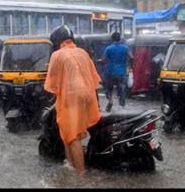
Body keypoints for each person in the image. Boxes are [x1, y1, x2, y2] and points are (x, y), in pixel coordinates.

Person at [44, 25, 101, 177]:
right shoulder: (82, 52)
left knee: (73, 136)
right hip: (87, 96)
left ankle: (81, 175)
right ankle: (70, 164)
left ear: (57, 40)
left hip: (71, 97)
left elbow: (53, 83)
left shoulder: (57, 55)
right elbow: (94, 76)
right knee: (67, 132)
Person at [100, 31, 133, 112]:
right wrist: (129, 66)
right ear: (120, 38)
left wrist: (100, 61)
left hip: (110, 72)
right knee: (121, 88)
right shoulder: (125, 48)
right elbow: (131, 57)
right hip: (121, 73)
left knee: (108, 88)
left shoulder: (108, 49)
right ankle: (121, 107)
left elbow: (104, 61)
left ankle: (110, 101)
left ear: (112, 39)